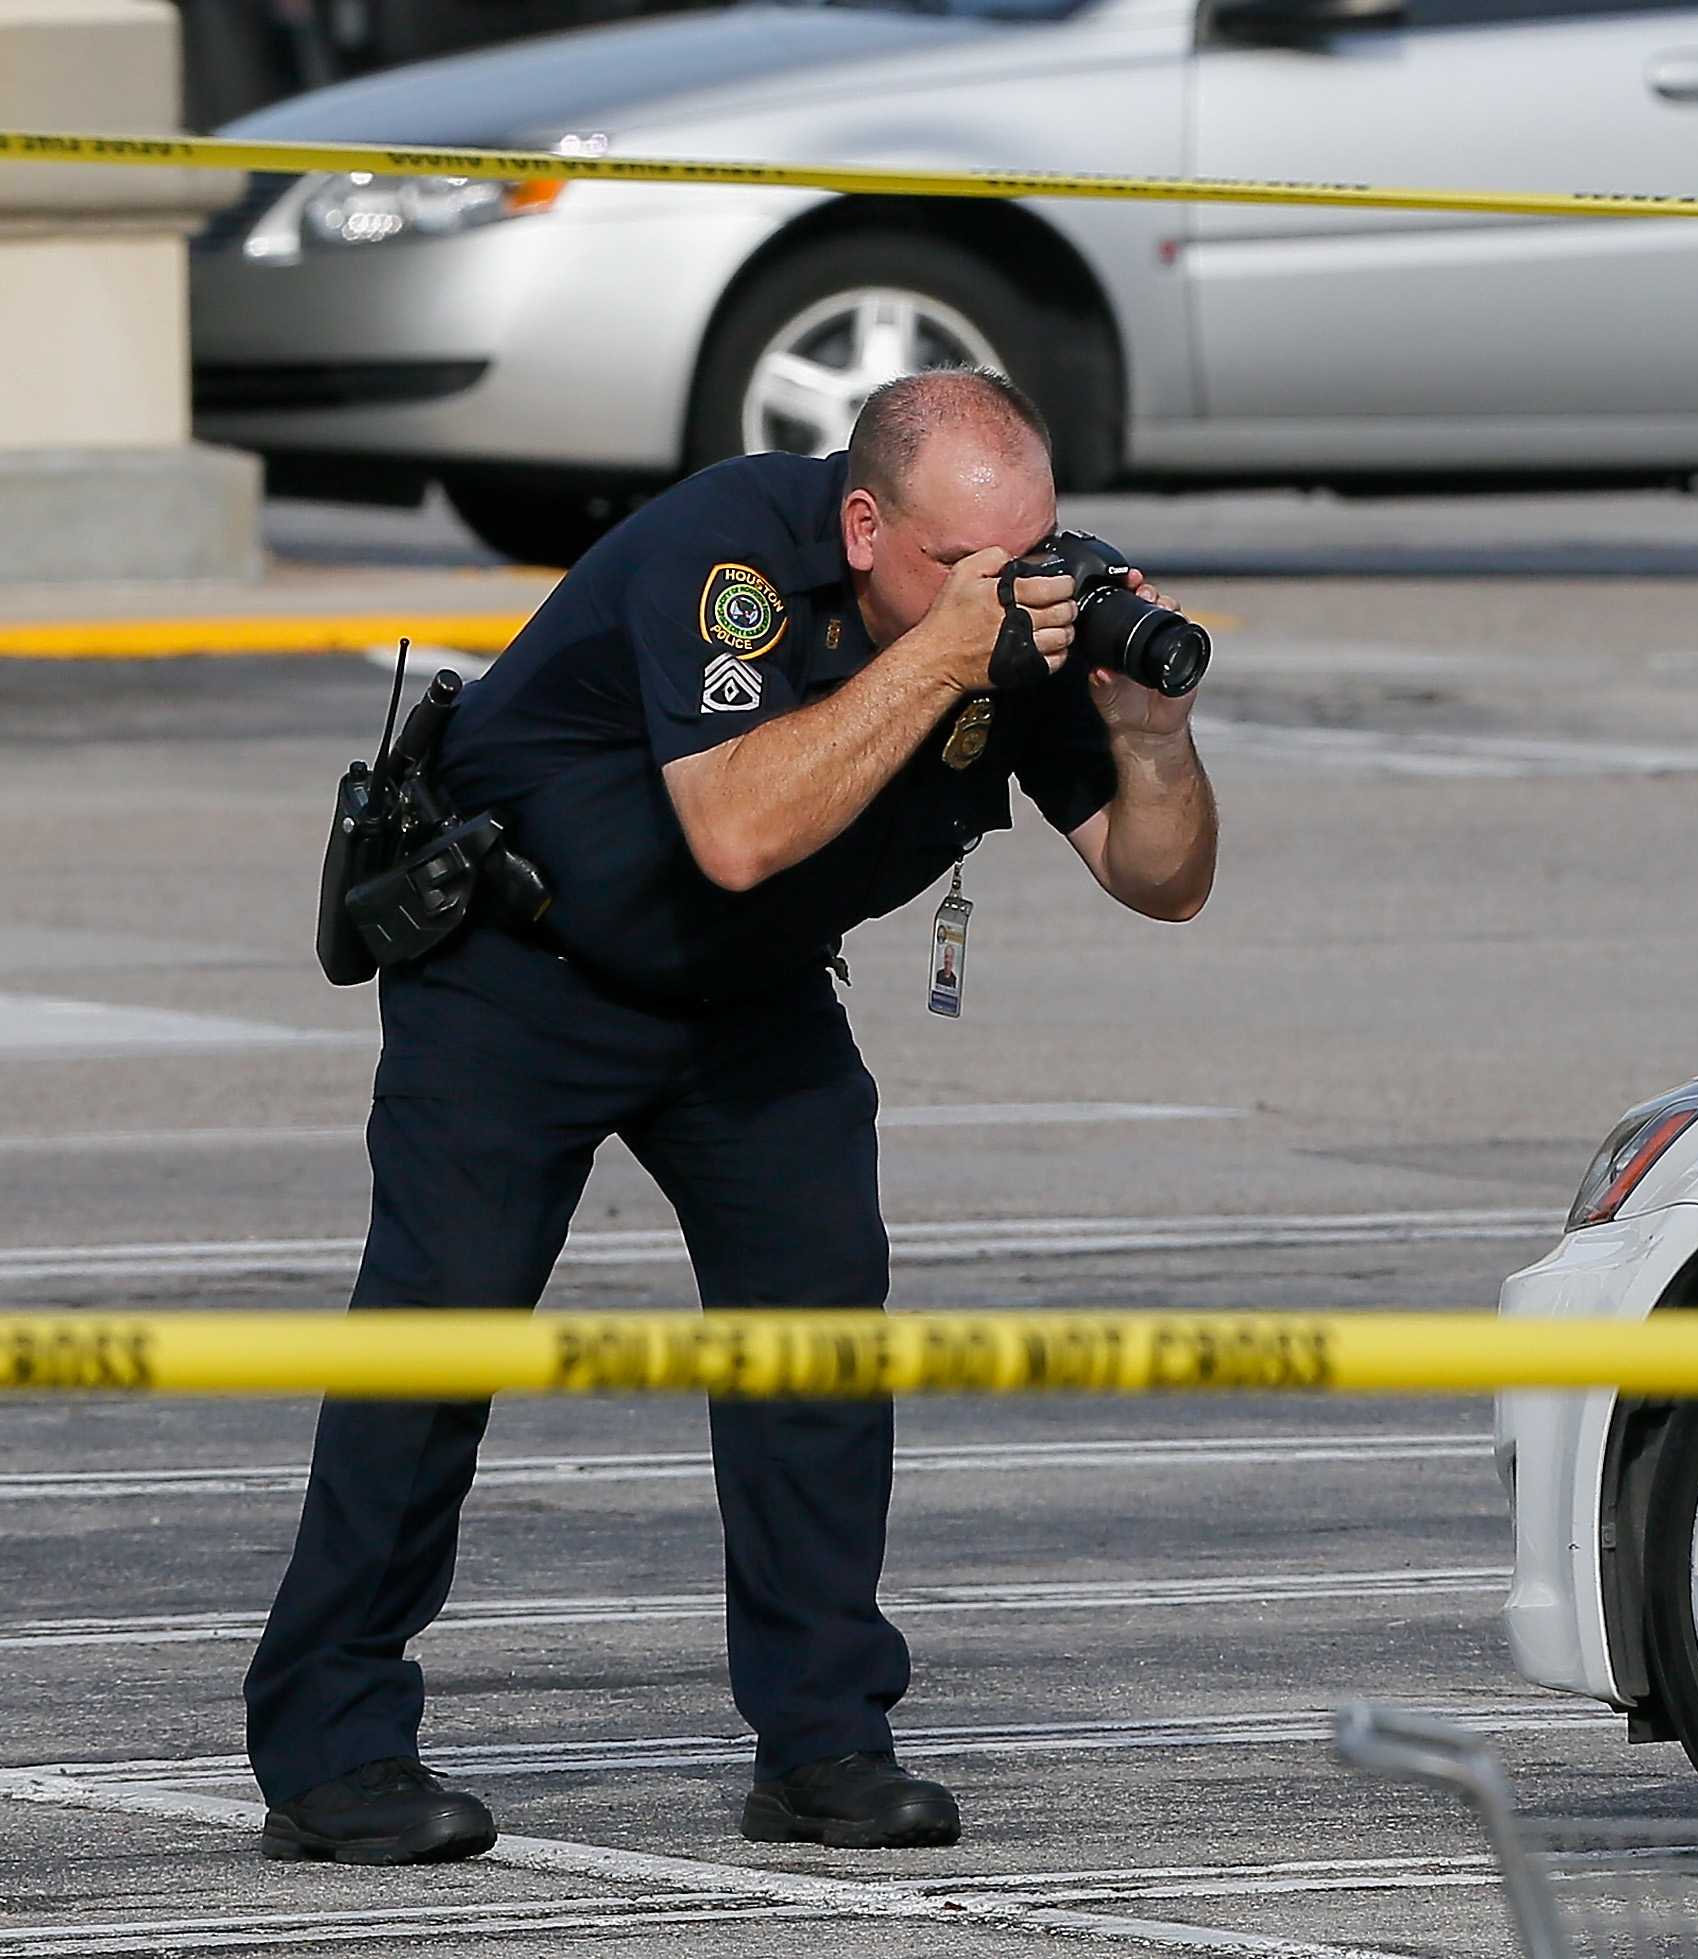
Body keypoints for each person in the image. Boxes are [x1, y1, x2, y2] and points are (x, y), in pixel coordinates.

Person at [244, 368, 1217, 1865]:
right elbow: (741, 831)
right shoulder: (730, 560)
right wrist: (949, 657)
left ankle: (825, 1742)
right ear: (861, 521)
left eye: (1030, 550)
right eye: (963, 563)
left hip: (751, 999)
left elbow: (1164, 880)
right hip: (521, 965)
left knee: (821, 1338)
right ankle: (331, 1746)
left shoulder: (1018, 619)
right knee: (438, 1335)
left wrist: (1150, 738)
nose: (1010, 591)